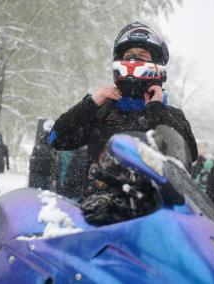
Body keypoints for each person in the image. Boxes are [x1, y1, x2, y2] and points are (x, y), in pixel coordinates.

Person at [49, 22, 198, 194]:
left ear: (156, 63)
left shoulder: (169, 114)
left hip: (150, 213)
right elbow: (57, 139)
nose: (134, 60)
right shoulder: (102, 110)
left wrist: (156, 109)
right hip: (98, 210)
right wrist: (90, 103)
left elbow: (188, 158)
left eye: (142, 56)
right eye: (129, 55)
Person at [28, 119, 55, 190]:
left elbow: (32, 161)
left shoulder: (38, 143)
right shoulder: (52, 147)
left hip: (36, 175)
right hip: (45, 176)